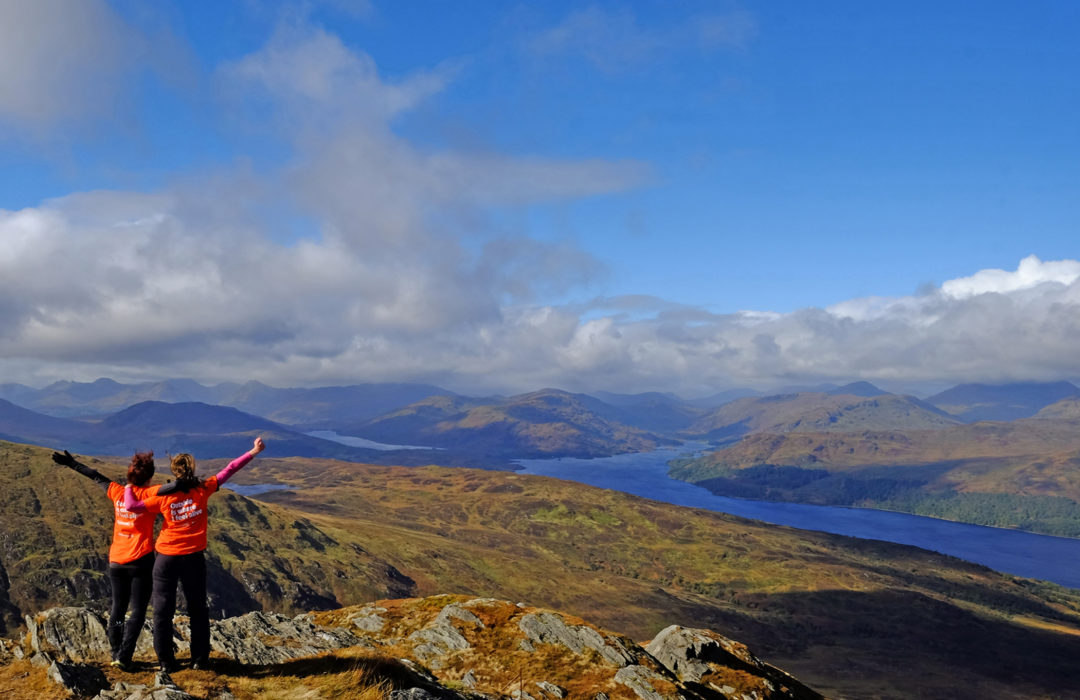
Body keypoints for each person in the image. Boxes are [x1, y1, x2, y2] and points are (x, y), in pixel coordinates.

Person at [126, 436, 265, 672]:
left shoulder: (163, 495)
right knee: (198, 609)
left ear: (174, 471)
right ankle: (199, 660)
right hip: (193, 558)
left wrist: (129, 487)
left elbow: (131, 506)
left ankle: (166, 663)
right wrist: (253, 451)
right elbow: (229, 469)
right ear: (191, 469)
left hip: (166, 558)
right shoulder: (203, 488)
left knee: (162, 611)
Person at [51, 449, 174, 671]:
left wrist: (71, 463)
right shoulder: (150, 496)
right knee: (137, 611)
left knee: (117, 609)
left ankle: (115, 651)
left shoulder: (117, 492)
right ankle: (125, 656)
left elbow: (95, 476)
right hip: (140, 561)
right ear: (149, 477)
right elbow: (172, 489)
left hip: (116, 561)